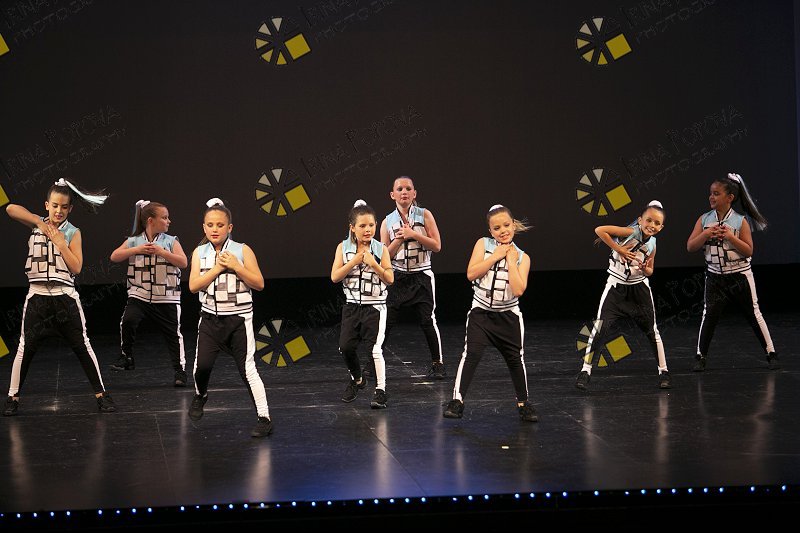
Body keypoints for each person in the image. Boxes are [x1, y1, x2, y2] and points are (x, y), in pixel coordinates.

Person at [3, 178, 116, 416]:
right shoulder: (36, 223)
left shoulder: (73, 232)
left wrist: (61, 244)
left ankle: (101, 395)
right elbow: (11, 209)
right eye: (54, 205)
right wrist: (38, 222)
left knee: (82, 346)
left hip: (64, 297)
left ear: (70, 208)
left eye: (64, 207)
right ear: (47, 205)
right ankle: (13, 398)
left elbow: (77, 267)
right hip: (37, 297)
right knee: (25, 348)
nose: (58, 211)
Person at [443, 204, 537, 422]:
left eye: (506, 225)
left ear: (513, 225)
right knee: (471, 354)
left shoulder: (523, 257)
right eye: (497, 228)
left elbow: (518, 290)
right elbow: (471, 273)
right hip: (481, 313)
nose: (502, 231)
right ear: (490, 231)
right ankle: (457, 400)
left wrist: (511, 261)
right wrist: (495, 256)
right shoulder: (483, 245)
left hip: (508, 317)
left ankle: (523, 403)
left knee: (515, 359)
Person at [187, 198, 272, 437]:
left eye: (220, 225)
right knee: (201, 367)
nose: (215, 229)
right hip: (210, 320)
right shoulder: (199, 252)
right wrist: (217, 269)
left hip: (238, 321)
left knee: (248, 370)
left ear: (229, 227)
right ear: (204, 227)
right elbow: (193, 286)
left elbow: (259, 283)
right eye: (210, 225)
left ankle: (264, 418)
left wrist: (237, 266)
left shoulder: (242, 250)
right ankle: (201, 395)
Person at [575, 200, 671, 391]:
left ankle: (664, 371)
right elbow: (600, 230)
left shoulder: (653, 243)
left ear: (661, 227)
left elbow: (650, 270)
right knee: (600, 328)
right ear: (640, 220)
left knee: (652, 331)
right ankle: (585, 371)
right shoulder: (631, 232)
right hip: (616, 288)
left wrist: (645, 268)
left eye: (657, 223)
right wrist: (618, 249)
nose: (652, 225)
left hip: (639, 290)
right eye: (648, 220)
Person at [686, 173, 777, 371]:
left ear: (730, 198)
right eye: (711, 193)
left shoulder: (739, 221)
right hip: (714, 277)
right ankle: (700, 356)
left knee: (753, 314)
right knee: (709, 315)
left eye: (716, 193)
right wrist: (705, 233)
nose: (711, 197)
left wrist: (730, 236)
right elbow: (691, 246)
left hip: (740, 276)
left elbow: (748, 250)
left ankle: (771, 353)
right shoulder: (704, 219)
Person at [109, 200, 188, 386]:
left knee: (173, 335)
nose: (169, 221)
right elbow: (114, 256)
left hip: (167, 297)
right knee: (128, 320)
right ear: (151, 221)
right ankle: (127, 356)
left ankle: (180, 371)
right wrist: (136, 249)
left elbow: (183, 262)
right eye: (165, 218)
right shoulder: (134, 241)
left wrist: (162, 252)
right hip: (140, 295)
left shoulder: (171, 241)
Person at [377, 176, 445, 378]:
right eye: (399, 189)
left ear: (414, 193)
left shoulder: (425, 215)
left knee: (427, 320)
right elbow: (385, 256)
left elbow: (437, 246)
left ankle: (438, 363)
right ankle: (373, 363)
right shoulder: (387, 222)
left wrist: (414, 234)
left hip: (421, 274)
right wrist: (400, 239)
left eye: (408, 188)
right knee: (386, 321)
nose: (404, 192)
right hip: (397, 276)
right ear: (392, 195)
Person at [331, 200, 394, 409]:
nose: (368, 230)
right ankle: (358, 379)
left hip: (375, 307)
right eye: (362, 226)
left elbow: (390, 278)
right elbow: (335, 276)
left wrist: (374, 263)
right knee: (345, 347)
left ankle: (381, 390)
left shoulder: (381, 249)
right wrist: (354, 261)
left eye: (371, 225)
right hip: (352, 307)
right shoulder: (343, 248)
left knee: (374, 350)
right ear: (352, 228)